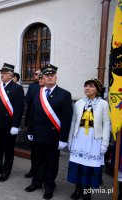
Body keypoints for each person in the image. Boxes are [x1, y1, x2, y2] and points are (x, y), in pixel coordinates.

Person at [25, 64, 73, 199]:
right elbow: (31, 114)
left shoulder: (64, 94)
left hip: (54, 136)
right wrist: (30, 130)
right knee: (38, 160)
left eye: (52, 75)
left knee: (52, 162)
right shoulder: (37, 93)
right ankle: (36, 182)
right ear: (43, 78)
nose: (49, 77)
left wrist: (63, 139)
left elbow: (66, 119)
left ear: (56, 77)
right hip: (38, 134)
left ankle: (49, 186)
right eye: (47, 75)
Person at [67, 78, 110, 200]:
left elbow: (106, 123)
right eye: (86, 86)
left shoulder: (103, 104)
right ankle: (78, 189)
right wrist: (70, 139)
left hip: (94, 140)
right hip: (79, 137)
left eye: (91, 86)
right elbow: (74, 121)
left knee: (90, 167)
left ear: (97, 89)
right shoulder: (79, 103)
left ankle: (87, 192)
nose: (87, 88)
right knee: (78, 165)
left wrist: (105, 143)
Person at [0, 63, 25, 182]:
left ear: (11, 75)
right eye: (1, 72)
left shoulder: (17, 88)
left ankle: (6, 171)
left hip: (8, 125)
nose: (1, 75)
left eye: (4, 73)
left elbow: (19, 109)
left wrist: (15, 125)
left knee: (8, 150)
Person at [24, 69, 42, 178]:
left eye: (36, 74)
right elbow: (28, 104)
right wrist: (28, 123)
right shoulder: (32, 87)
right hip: (33, 122)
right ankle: (33, 169)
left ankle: (41, 172)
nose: (34, 75)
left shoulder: (47, 87)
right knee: (34, 150)